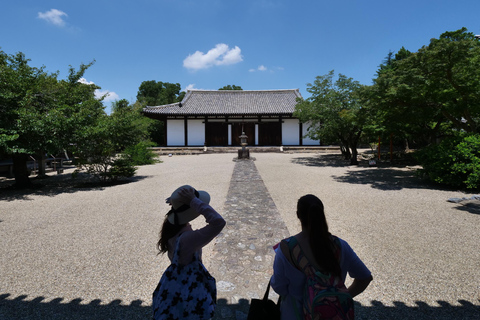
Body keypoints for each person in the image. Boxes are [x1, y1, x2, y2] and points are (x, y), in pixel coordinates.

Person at [271, 194, 373, 320]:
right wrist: (338, 298)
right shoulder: (341, 246)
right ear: (321, 214)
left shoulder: (285, 250)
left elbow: (279, 287)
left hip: (294, 314)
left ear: (298, 215)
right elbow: (365, 277)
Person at [152, 185, 226, 320]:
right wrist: (194, 201)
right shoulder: (187, 240)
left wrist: (178, 204)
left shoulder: (171, 228)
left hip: (176, 283)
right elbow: (218, 222)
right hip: (191, 290)